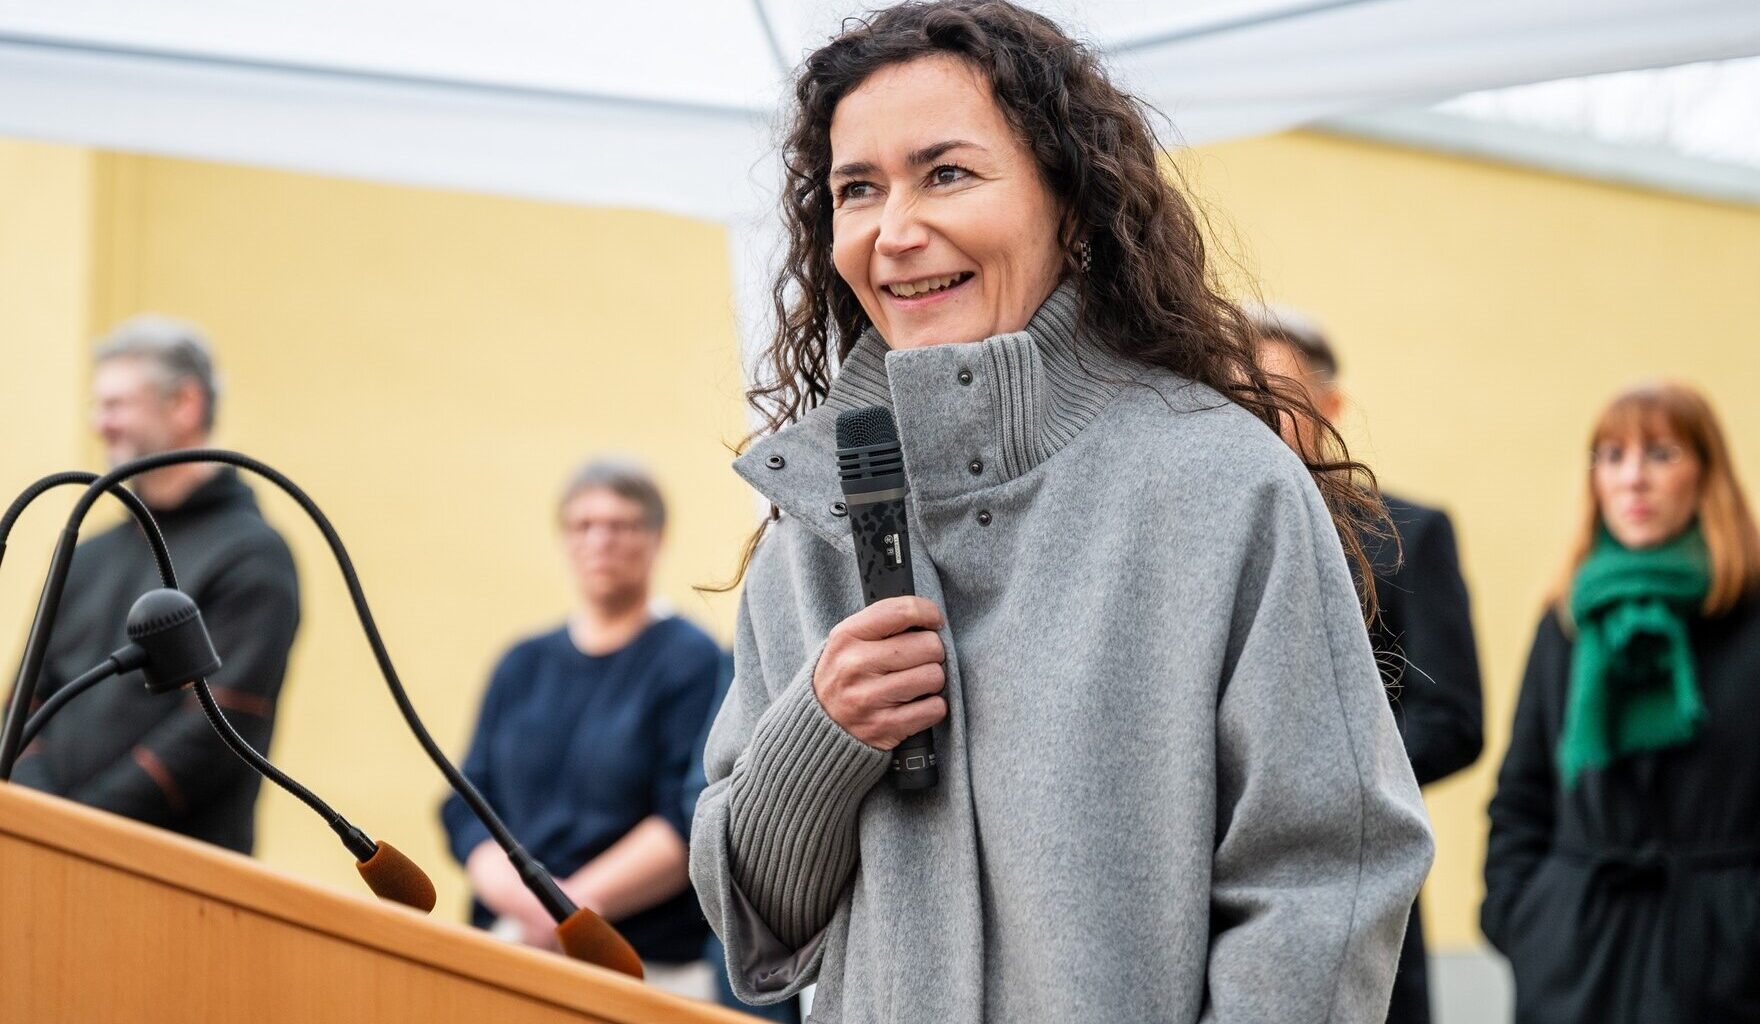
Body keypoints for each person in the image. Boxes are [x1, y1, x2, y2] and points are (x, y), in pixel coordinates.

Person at [689, 4, 1434, 1021]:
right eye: (856, 189)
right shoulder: (808, 528)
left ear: (1069, 204)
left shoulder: (1221, 485)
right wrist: (821, 733)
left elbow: (1323, 884)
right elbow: (751, 926)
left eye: (944, 172)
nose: (895, 230)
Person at [1482, 382, 1760, 1024]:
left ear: (1706, 475)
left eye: (1661, 454)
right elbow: (1521, 796)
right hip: (1576, 966)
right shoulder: (1566, 621)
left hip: (1728, 967)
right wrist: (1529, 924)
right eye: (1611, 456)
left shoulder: (1748, 616)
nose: (1633, 478)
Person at [1251, 305, 1484, 1024]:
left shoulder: (1408, 533)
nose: (1254, 416)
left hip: (1363, 873)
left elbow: (1452, 718)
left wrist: (1329, 776)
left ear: (1331, 405)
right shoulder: (1196, 532)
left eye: (1276, 397)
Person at [13, 316, 301, 854]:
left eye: (118, 404)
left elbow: (217, 730)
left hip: (175, 879)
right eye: (99, 406)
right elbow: (27, 698)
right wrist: (36, 810)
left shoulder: (253, 556)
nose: (102, 424)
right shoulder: (88, 550)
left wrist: (79, 826)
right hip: (46, 853)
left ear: (184, 405)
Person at [442, 458, 719, 995]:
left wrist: (570, 909)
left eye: (622, 525)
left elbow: (690, 816)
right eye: (584, 525)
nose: (601, 540)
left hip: (646, 968)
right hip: (511, 949)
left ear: (657, 538)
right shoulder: (521, 664)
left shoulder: (692, 662)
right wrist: (527, 904)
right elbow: (466, 806)